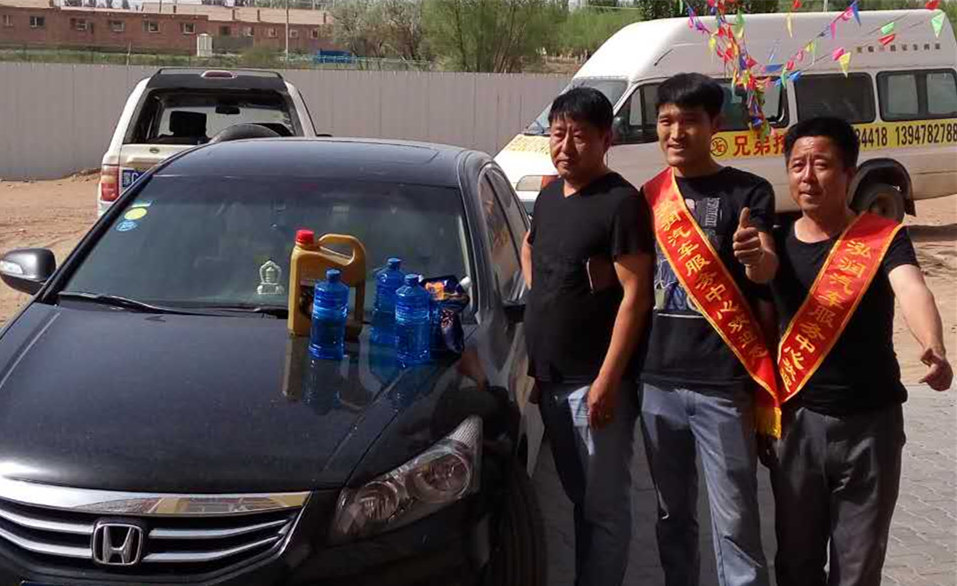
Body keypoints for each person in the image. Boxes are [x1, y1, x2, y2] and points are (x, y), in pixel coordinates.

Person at [769, 116, 953, 586]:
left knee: (859, 568)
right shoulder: (775, 241)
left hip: (871, 426)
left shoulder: (881, 237)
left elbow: (912, 288)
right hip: (797, 424)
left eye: (822, 164)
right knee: (795, 564)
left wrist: (932, 344)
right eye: (797, 165)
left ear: (849, 173)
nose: (808, 177)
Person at [639, 72, 778, 586]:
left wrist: (755, 257)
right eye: (666, 121)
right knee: (671, 516)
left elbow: (765, 266)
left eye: (690, 121)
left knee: (736, 520)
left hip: (722, 383)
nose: (676, 133)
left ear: (715, 124)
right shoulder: (648, 196)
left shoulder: (749, 191)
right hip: (656, 382)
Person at [521, 86, 655, 586]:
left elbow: (637, 295)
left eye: (579, 136)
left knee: (604, 509)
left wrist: (608, 381)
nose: (566, 147)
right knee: (580, 499)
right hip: (552, 379)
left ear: (606, 139)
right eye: (558, 134)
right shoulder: (549, 197)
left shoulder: (621, 203)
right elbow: (532, 251)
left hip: (594, 385)